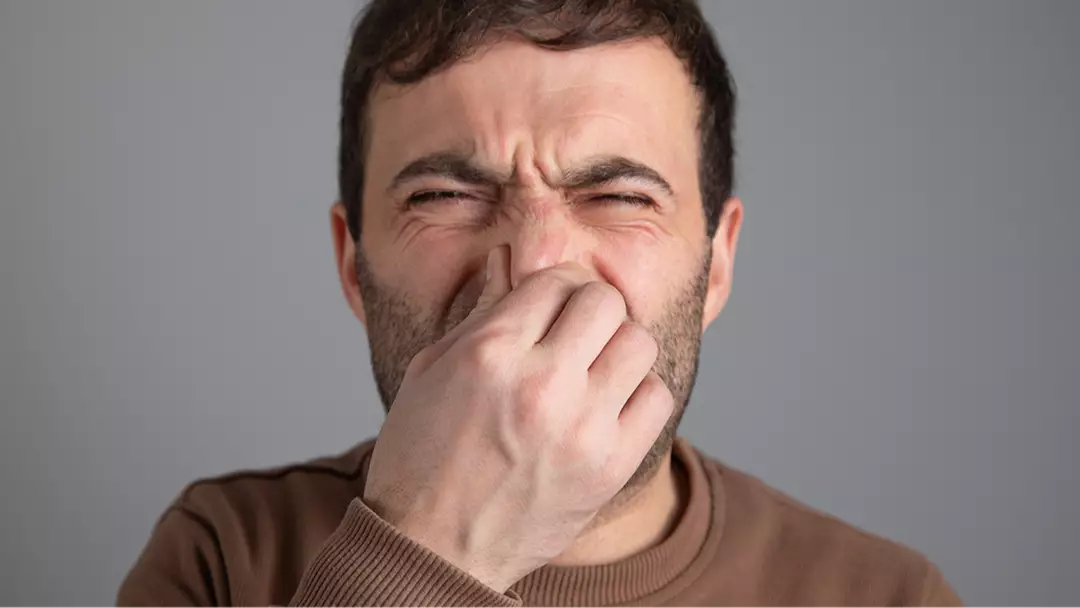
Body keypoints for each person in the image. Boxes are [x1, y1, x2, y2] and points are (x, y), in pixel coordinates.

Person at [118, 1, 962, 606]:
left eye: (620, 196)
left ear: (716, 266)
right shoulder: (224, 559)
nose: (535, 264)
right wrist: (432, 549)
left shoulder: (888, 596)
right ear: (352, 264)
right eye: (444, 195)